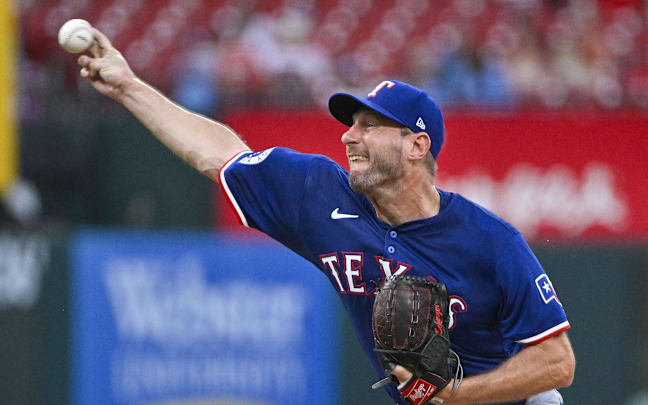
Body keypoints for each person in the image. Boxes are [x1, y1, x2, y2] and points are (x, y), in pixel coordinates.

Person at [77, 28, 575, 405]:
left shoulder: (488, 239)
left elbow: (558, 362)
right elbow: (217, 154)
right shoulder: (317, 191)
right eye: (350, 124)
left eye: (370, 126)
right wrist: (128, 88)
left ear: (416, 147)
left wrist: (453, 395)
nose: (348, 136)